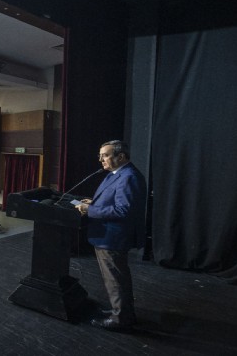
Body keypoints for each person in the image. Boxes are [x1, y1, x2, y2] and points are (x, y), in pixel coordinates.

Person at [75, 140, 147, 331]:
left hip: (112, 237)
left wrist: (90, 210)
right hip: (107, 235)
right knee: (115, 278)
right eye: (100, 155)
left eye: (105, 155)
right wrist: (95, 202)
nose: (101, 160)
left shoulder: (129, 176)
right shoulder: (118, 173)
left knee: (115, 279)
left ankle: (121, 319)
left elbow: (123, 211)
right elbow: (114, 200)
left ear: (121, 156)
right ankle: (120, 310)